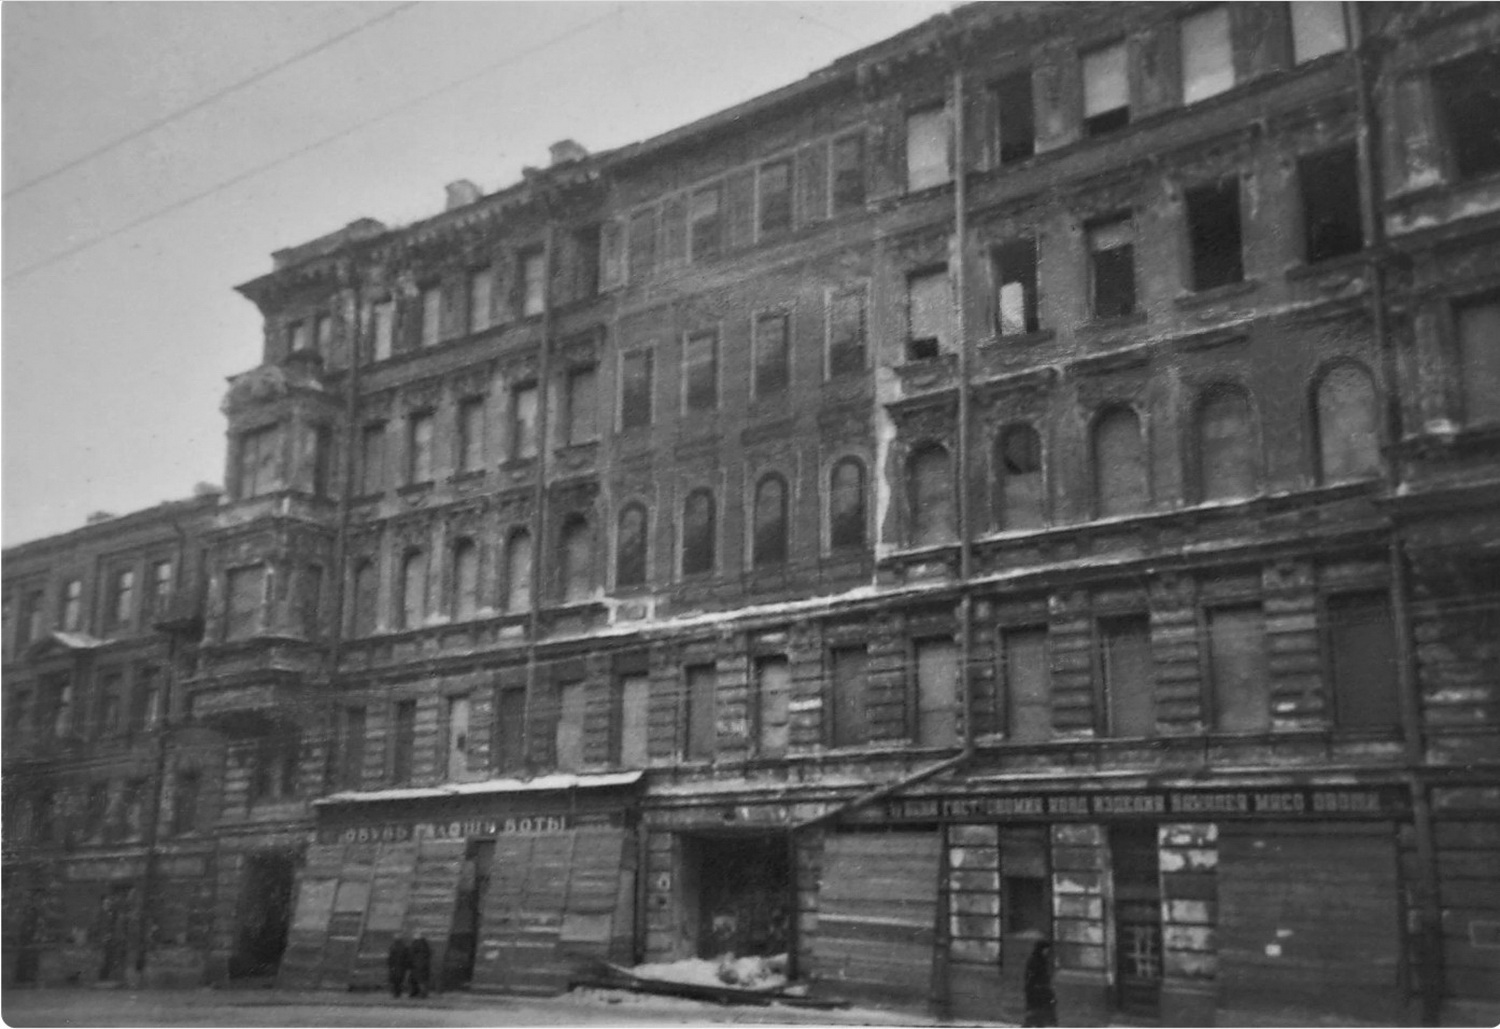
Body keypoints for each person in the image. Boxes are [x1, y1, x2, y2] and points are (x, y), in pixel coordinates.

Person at [1023, 939, 1057, 1027]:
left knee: (1039, 1017)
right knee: (1034, 1015)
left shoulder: (1042, 960)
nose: (1046, 952)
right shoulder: (1034, 961)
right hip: (1036, 993)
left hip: (1042, 993)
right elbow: (1031, 978)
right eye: (1045, 949)